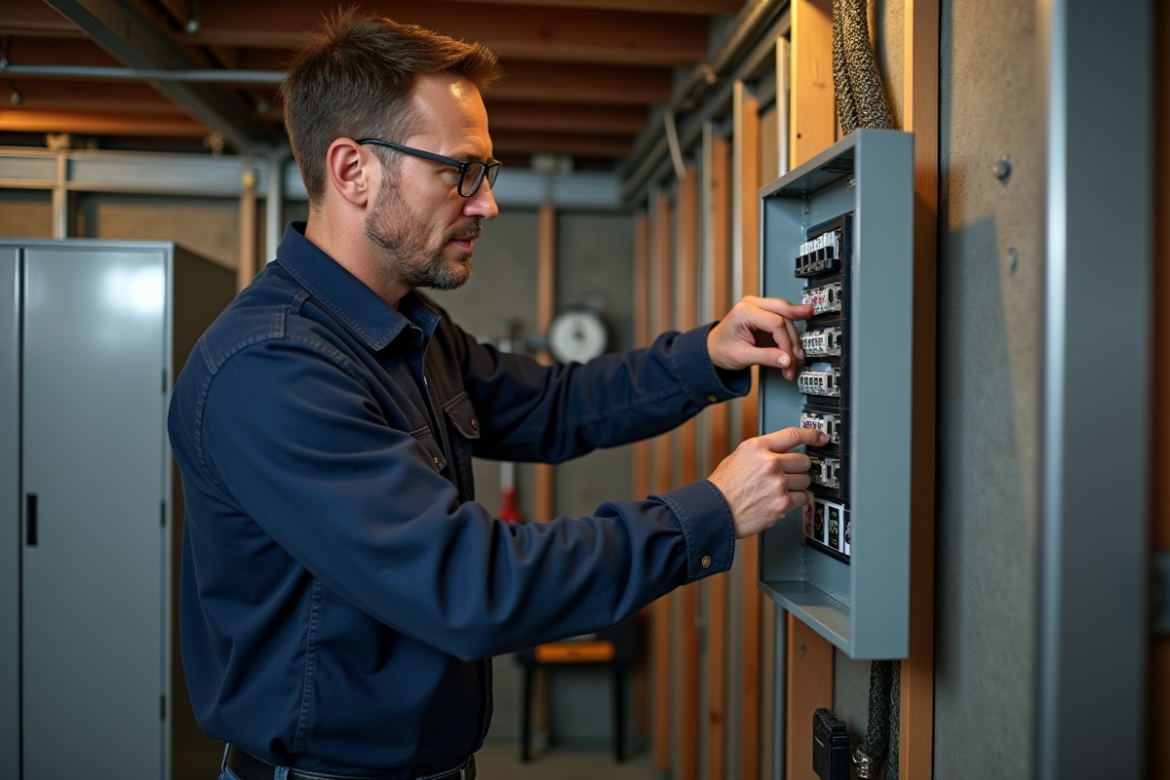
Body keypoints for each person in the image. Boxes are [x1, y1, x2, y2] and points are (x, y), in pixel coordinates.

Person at [168, 11, 828, 780]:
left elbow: (552, 405)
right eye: (460, 171)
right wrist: (711, 510)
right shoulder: (271, 368)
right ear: (352, 171)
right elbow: (472, 587)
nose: (486, 204)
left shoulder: (406, 332)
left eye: (488, 173)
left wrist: (705, 356)